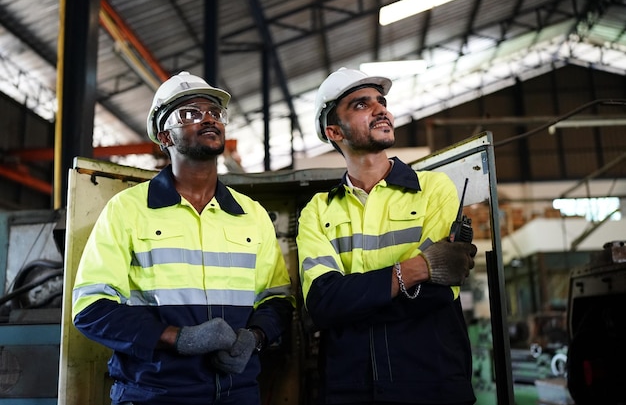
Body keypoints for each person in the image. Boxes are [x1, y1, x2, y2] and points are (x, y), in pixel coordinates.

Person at [72, 71, 295, 405]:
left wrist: (255, 337)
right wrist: (178, 338)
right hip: (154, 394)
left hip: (237, 394)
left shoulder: (251, 215)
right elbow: (91, 308)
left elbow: (277, 299)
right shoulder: (128, 210)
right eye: (190, 114)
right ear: (165, 137)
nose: (208, 119)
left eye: (215, 113)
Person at [296, 67, 478, 405]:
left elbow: (438, 292)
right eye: (362, 105)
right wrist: (411, 271)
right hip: (352, 390)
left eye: (381, 102)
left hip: (431, 384)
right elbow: (323, 304)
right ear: (334, 131)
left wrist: (352, 303)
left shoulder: (433, 189)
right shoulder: (318, 211)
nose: (381, 109)